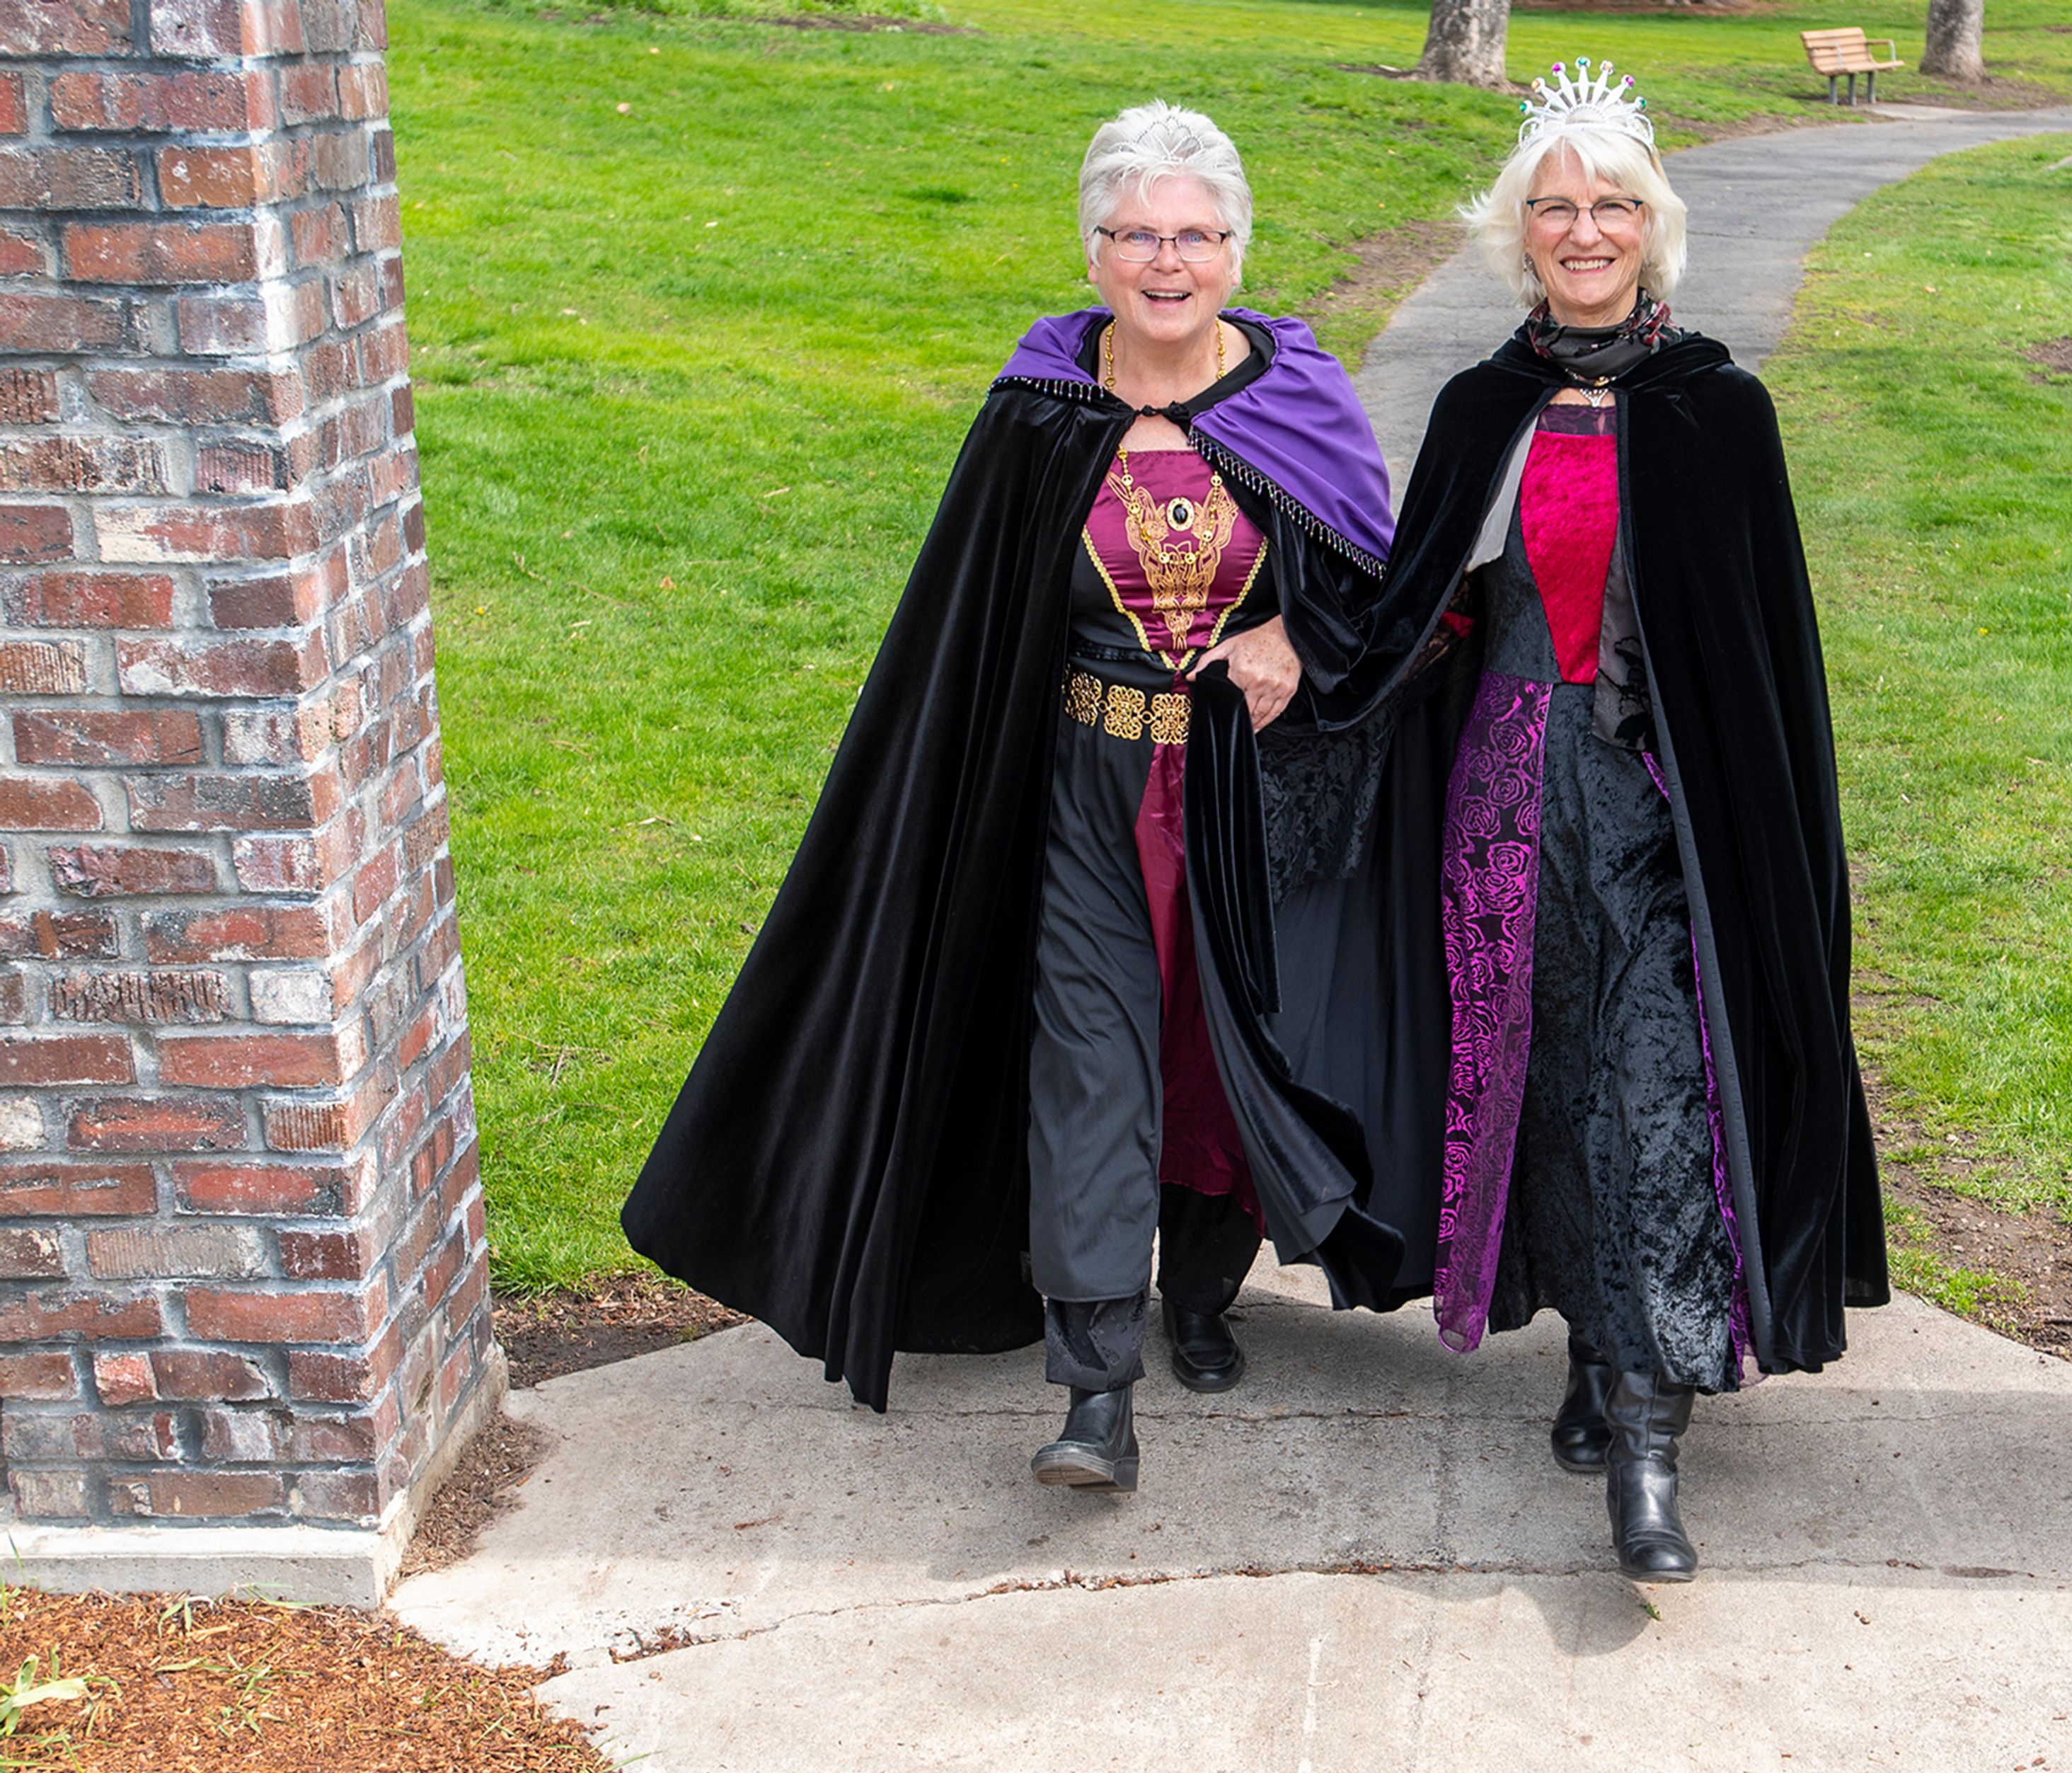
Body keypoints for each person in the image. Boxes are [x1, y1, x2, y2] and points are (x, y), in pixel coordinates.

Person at [621, 102, 1438, 1493]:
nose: (1165, 261)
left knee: (1221, 1054)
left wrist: (1300, 635)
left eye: (1192, 234)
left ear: (1236, 249)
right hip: (1080, 783)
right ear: (1093, 250)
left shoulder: (1299, 400)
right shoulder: (1039, 411)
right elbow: (973, 617)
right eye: (1136, 236)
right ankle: (1097, 1382)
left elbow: (1383, 584)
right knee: (1089, 1060)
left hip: (1247, 796)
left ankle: (1200, 1296)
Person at [1345, 61, 1889, 1581]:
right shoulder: (1482, 406)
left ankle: (1648, 1440)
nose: (1585, 230)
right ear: (1519, 236)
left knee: (1659, 1089)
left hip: (1669, 812)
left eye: (1614, 205)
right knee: (1549, 1069)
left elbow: (1756, 656)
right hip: (1509, 803)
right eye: (1557, 208)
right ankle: (1596, 1343)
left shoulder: (1720, 410)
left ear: (1657, 230)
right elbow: (1415, 612)